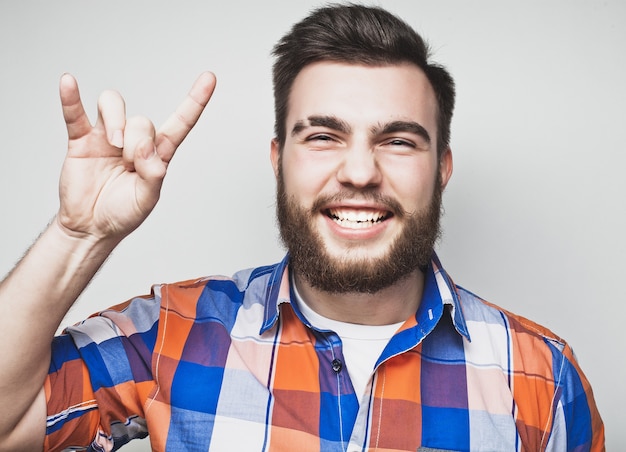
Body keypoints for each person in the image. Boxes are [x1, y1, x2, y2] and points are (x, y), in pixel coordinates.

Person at [0, 4, 604, 451]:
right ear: (278, 160)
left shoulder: (543, 377)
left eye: (398, 140)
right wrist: (79, 235)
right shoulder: (170, 336)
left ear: (441, 169)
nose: (361, 172)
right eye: (323, 137)